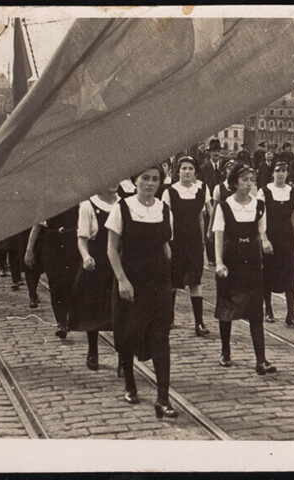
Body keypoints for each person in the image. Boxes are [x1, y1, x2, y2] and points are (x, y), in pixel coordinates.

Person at [106, 165, 178, 417]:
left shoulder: (164, 210)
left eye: (155, 179)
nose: (150, 183)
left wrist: (169, 275)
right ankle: (130, 383)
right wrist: (122, 280)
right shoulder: (121, 208)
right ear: (135, 181)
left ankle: (163, 399)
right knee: (128, 333)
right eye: (145, 178)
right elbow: (112, 249)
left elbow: (165, 246)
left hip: (157, 282)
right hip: (130, 281)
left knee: (160, 337)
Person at [213, 163, 277, 375]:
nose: (249, 183)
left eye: (252, 179)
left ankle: (261, 360)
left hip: (252, 264)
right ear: (234, 183)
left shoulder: (259, 205)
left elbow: (261, 231)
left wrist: (265, 242)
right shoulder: (224, 206)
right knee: (227, 309)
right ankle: (225, 351)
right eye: (244, 179)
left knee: (255, 312)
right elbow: (219, 236)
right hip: (231, 263)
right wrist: (219, 262)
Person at [68, 185, 119, 371]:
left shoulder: (124, 205)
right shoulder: (88, 205)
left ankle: (123, 356)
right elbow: (82, 238)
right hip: (97, 262)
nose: (113, 183)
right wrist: (86, 257)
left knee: (120, 310)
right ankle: (93, 351)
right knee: (93, 308)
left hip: (118, 262)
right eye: (109, 179)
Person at [162, 156, 212, 336]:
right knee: (174, 280)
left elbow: (201, 216)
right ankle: (168, 318)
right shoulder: (170, 191)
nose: (187, 172)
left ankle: (199, 323)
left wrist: (204, 239)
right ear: (178, 171)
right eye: (183, 168)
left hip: (194, 241)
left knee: (195, 280)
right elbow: (167, 219)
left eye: (190, 168)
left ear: (195, 171)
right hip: (177, 241)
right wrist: (168, 241)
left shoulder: (202, 189)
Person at [257, 160, 294, 329]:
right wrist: (264, 239)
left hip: (287, 238)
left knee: (290, 274)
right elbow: (260, 218)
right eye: (278, 171)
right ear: (272, 173)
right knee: (268, 272)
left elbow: (292, 216)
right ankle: (268, 308)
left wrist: (293, 236)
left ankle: (290, 314)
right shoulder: (264, 192)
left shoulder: (292, 191)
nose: (281, 174)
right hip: (270, 236)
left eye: (284, 170)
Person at [25, 206, 80, 339]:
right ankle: (61, 322)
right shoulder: (48, 200)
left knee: (71, 282)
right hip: (52, 243)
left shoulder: (78, 198)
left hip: (73, 242)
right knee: (55, 284)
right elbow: (37, 225)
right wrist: (29, 249)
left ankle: (69, 317)